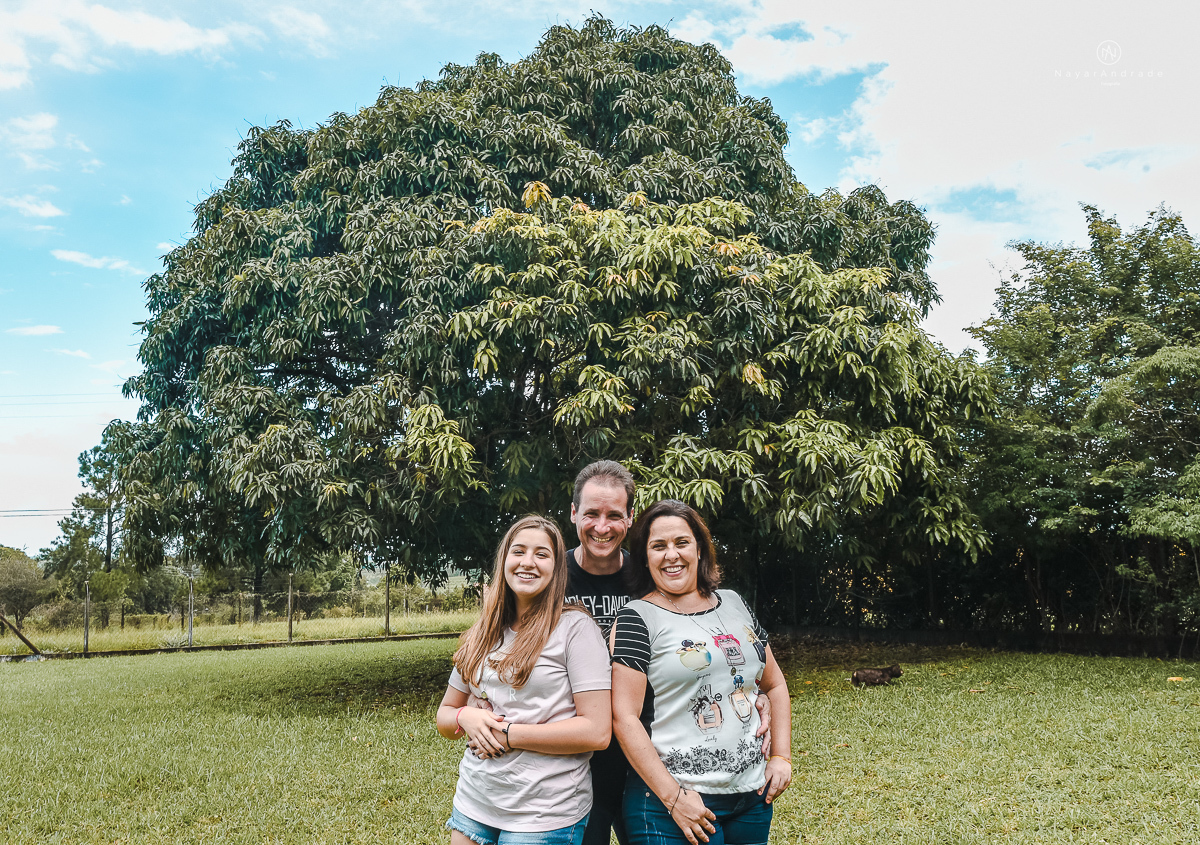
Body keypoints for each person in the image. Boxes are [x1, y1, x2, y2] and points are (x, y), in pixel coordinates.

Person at [610, 500, 792, 845]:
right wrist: (674, 799)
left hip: (752, 797)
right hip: (672, 804)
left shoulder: (735, 602)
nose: (671, 555)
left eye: (681, 542)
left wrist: (781, 756)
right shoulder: (637, 617)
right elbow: (624, 717)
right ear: (645, 557)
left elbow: (775, 683)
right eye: (658, 546)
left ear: (699, 548)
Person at [437, 515, 613, 845]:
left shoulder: (575, 630)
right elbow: (445, 716)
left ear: (556, 568)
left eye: (541, 554)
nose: (527, 562)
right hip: (476, 800)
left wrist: (509, 734)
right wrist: (466, 716)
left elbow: (598, 731)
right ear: (504, 560)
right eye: (518, 551)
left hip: (545, 810)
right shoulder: (483, 632)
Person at [565, 460, 636, 845]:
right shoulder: (550, 577)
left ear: (629, 518)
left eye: (614, 515)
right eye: (591, 513)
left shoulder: (649, 577)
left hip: (640, 750)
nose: (602, 527)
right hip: (574, 756)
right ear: (574, 512)